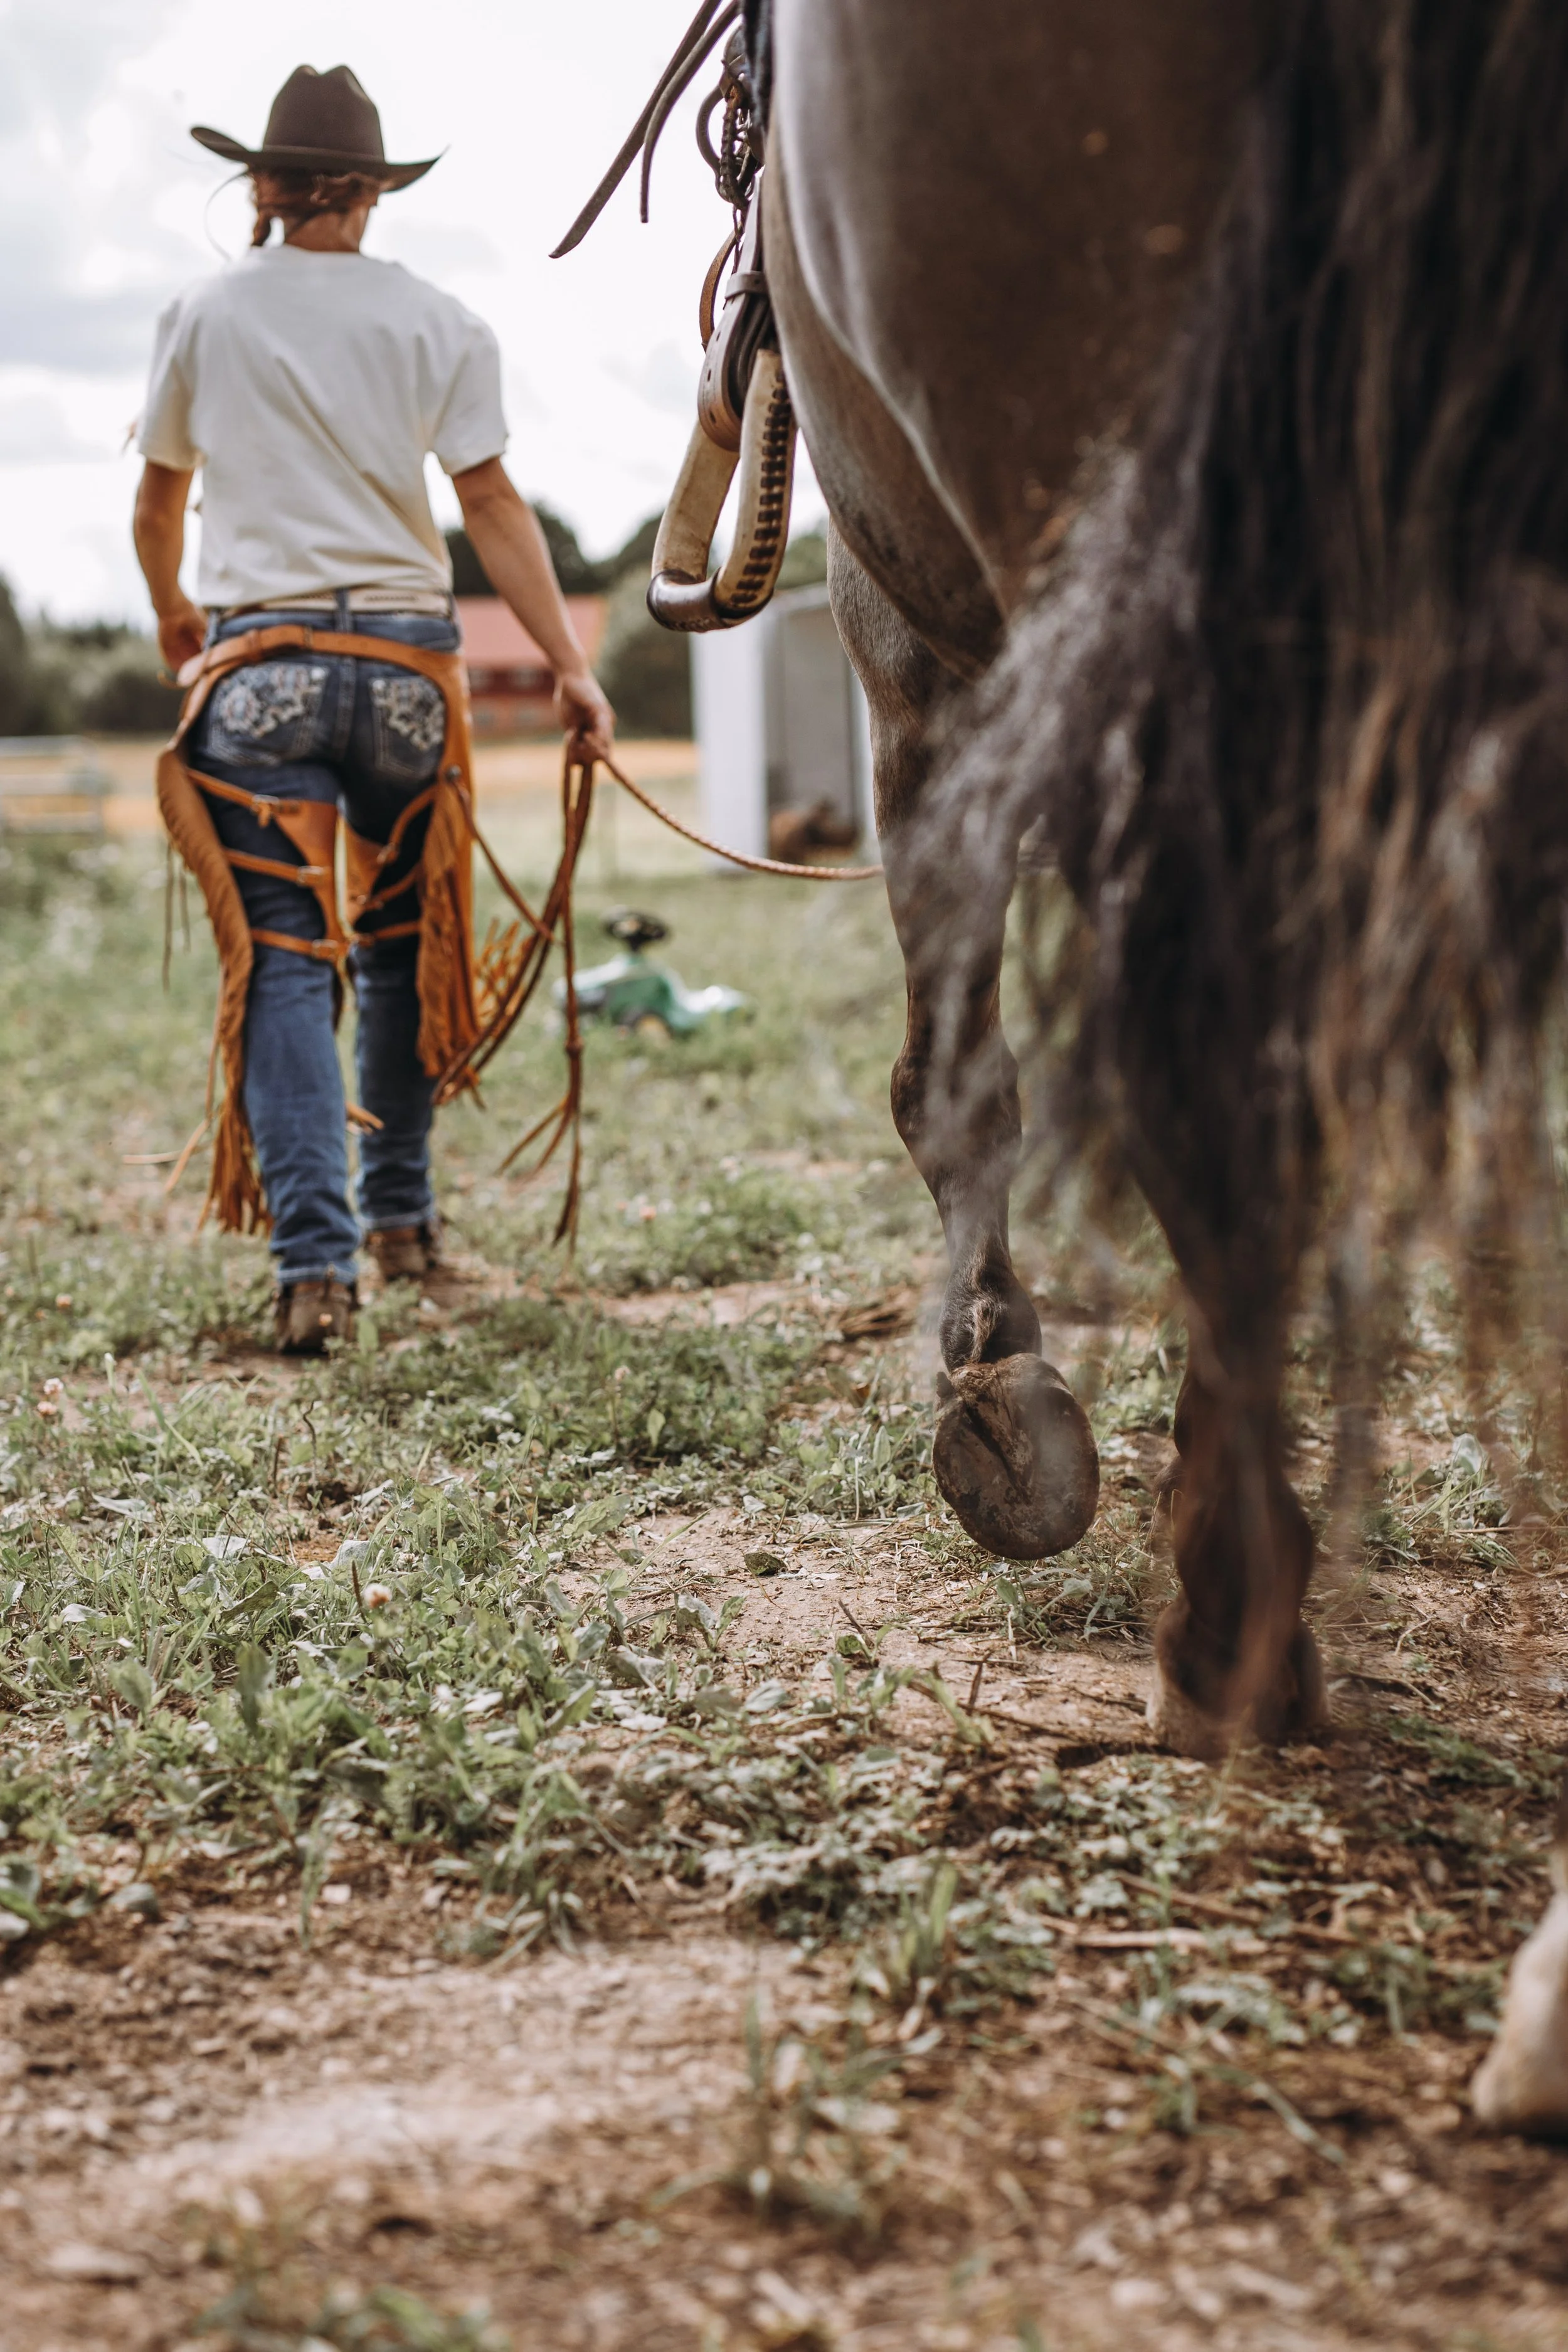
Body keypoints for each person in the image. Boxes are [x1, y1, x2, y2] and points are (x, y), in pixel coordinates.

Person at [132, 64, 613, 1352]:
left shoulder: (200, 313)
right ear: (369, 194)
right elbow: (493, 507)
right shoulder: (438, 320)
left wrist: (180, 618)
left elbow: (156, 506)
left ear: (270, 187)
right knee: (403, 949)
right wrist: (571, 669)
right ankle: (401, 1223)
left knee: (289, 964)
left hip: (262, 672)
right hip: (406, 677)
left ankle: (316, 1275)